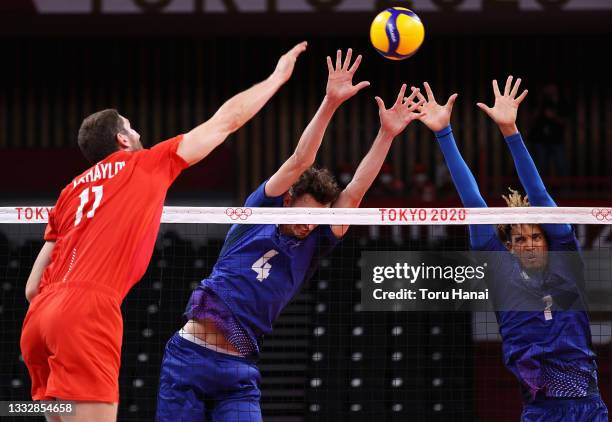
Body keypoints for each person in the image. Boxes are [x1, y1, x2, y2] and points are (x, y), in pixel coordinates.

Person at [19, 42, 308, 422]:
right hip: (86, 313)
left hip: (39, 321)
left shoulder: (69, 191)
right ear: (123, 140)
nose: (138, 134)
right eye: (131, 128)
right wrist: (276, 78)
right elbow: (225, 122)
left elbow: (31, 288)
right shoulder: (143, 164)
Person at [156, 49, 425, 422]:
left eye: (318, 218)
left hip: (238, 370)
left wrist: (386, 134)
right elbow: (301, 159)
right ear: (288, 200)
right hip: (189, 358)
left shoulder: (315, 242)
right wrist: (330, 102)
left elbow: (356, 192)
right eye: (304, 213)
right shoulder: (259, 212)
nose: (309, 223)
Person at [415, 77, 608, 421]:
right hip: (539, 411)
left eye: (536, 236)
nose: (530, 243)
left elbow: (539, 196)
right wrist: (444, 134)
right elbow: (474, 204)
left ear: (549, 240)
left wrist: (510, 131)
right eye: (520, 239)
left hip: (587, 409)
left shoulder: (566, 264)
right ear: (508, 248)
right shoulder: (502, 277)